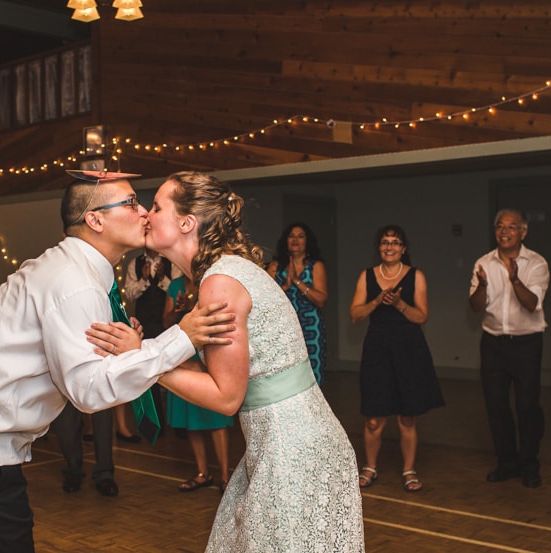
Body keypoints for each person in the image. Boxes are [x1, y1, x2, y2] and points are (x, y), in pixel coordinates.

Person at [0, 173, 235, 553]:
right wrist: (180, 340)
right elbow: (89, 391)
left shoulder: (71, 269)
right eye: (130, 203)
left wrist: (126, 346)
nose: (143, 212)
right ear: (95, 220)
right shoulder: (75, 283)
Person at [87, 171, 364, 551]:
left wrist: (142, 358)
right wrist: (149, 349)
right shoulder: (220, 274)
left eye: (156, 207)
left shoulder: (221, 282)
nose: (147, 215)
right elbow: (214, 373)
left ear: (187, 223)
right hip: (284, 443)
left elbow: (225, 397)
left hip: (293, 451)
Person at [349, 224, 444, 492]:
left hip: (409, 350)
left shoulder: (416, 276)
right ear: (379, 247)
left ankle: (409, 469)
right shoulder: (366, 276)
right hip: (377, 350)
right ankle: (370, 467)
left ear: (404, 248)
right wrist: (378, 301)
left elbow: (421, 316)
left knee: (407, 417)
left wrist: (399, 304)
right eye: (384, 242)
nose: (389, 247)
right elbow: (355, 315)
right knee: (373, 417)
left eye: (395, 242)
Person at [469, 208, 549, 488]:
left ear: (523, 232)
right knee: (496, 405)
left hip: (526, 344)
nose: (505, 231)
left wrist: (514, 279)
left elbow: (531, 304)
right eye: (500, 227)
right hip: (492, 343)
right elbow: (476, 306)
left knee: (527, 406)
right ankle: (507, 462)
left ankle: (529, 464)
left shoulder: (536, 263)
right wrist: (481, 286)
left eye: (511, 227)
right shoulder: (483, 263)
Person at [163, 274, 233, 493]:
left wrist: (192, 307)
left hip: (209, 352)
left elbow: (222, 316)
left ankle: (225, 476)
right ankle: (203, 472)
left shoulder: (210, 283)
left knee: (215, 418)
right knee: (191, 416)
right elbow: (165, 322)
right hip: (184, 353)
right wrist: (177, 310)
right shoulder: (175, 286)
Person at [124, 247, 181, 436]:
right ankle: (154, 425)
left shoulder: (172, 261)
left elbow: (178, 289)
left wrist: (162, 278)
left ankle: (179, 425)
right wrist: (145, 279)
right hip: (146, 325)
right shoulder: (135, 263)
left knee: (174, 369)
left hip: (169, 324)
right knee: (148, 374)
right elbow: (130, 294)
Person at [266, 222, 328, 385]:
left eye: (300, 236)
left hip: (310, 329)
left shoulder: (316, 265)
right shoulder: (275, 266)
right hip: (282, 329)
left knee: (311, 379)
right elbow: (265, 299)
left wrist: (296, 281)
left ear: (308, 241)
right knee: (284, 378)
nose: (295, 239)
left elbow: (321, 299)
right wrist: (286, 285)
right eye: (291, 236)